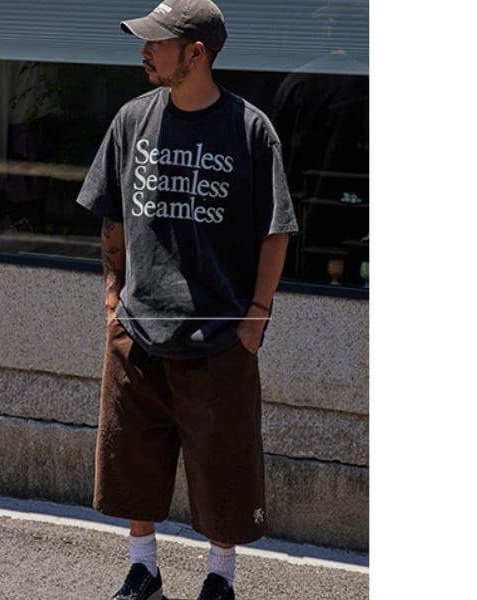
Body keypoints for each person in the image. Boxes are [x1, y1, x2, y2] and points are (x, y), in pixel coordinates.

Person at [76, 1, 298, 598]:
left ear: (195, 53)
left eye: (157, 42)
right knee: (133, 460)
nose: (144, 51)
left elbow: (276, 229)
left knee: (222, 466)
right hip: (138, 331)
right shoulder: (131, 119)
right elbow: (111, 213)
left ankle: (219, 578)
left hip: (220, 338)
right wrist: (112, 299)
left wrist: (255, 318)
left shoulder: (250, 129)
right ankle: (143, 568)